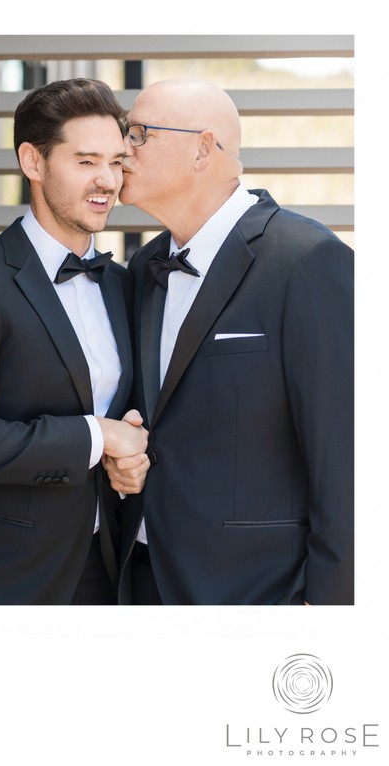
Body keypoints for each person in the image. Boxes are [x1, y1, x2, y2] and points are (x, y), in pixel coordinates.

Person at [0, 79, 150, 606]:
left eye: (115, 161)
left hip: (98, 569)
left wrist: (128, 456)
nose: (107, 180)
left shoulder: (121, 283)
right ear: (33, 162)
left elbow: (118, 413)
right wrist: (98, 437)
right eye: (86, 161)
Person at [112, 78, 354, 605]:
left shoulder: (306, 260)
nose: (121, 150)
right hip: (143, 580)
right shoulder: (143, 266)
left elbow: (346, 454)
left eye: (138, 134)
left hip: (258, 592)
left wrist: (334, 612)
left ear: (202, 148)